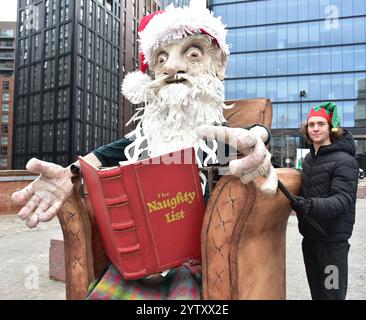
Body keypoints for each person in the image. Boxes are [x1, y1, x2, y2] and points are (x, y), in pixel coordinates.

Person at [12, 5, 278, 299]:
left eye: (192, 53)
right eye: (161, 58)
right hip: (137, 266)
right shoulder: (141, 140)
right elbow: (97, 158)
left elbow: (251, 138)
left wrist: (258, 136)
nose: (171, 67)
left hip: (199, 265)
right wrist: (66, 175)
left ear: (220, 64)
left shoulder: (224, 140)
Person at [290, 102, 359, 300]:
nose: (316, 128)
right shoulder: (310, 160)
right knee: (318, 295)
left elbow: (342, 200)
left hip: (332, 246)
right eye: (311, 125)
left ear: (331, 128)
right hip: (311, 240)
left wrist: (308, 205)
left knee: (332, 295)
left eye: (321, 124)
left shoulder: (345, 161)